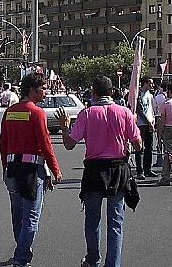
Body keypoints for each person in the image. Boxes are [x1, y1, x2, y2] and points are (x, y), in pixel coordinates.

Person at [55, 76, 142, 267]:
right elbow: (138, 145)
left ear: (94, 93)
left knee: (92, 220)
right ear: (112, 92)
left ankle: (93, 260)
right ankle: (113, 264)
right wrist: (132, 127)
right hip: (118, 170)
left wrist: (64, 127)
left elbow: (69, 144)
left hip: (94, 171)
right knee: (116, 222)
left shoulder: (87, 114)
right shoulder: (124, 112)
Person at [0, 73, 62, 267]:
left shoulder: (10, 112)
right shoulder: (37, 113)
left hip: (12, 167)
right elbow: (45, 144)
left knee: (17, 214)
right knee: (31, 216)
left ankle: (21, 250)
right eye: (43, 88)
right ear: (33, 90)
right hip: (32, 170)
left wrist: (5, 168)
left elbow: (3, 143)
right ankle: (22, 257)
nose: (46, 92)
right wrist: (55, 169)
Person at [134, 76, 157, 180]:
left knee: (149, 147)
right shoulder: (138, 95)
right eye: (150, 83)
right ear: (145, 83)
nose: (152, 85)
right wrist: (148, 122)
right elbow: (140, 110)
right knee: (140, 148)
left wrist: (153, 120)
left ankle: (148, 169)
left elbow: (151, 109)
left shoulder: (150, 95)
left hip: (149, 123)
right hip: (141, 124)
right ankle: (140, 170)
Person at [153, 83, 167, 167]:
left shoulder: (158, 97)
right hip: (168, 119)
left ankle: (159, 160)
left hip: (159, 118)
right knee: (167, 140)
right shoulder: (168, 97)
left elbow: (154, 108)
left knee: (159, 140)